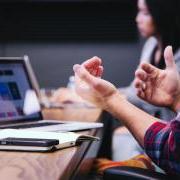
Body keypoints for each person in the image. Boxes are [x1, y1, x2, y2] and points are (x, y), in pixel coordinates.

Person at [73, 46, 180, 174]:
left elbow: (172, 149)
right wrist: (176, 100)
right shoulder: (151, 45)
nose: (137, 23)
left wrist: (109, 99)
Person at [113, 0, 180, 161]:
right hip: (156, 126)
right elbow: (137, 90)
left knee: (119, 136)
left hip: (171, 134)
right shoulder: (151, 45)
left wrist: (111, 97)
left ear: (163, 14)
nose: (138, 19)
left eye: (145, 13)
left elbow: (145, 98)